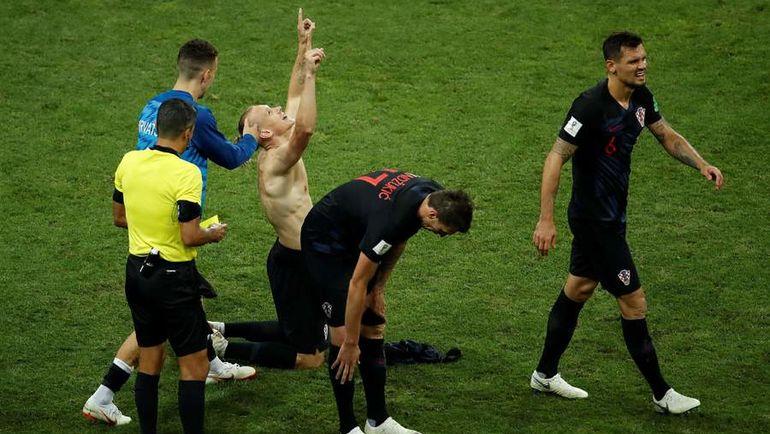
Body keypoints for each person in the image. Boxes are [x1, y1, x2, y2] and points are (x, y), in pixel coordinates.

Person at [530, 31, 724, 414]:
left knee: (579, 288)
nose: (642, 66)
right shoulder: (589, 106)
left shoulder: (642, 98)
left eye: (644, 58)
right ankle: (663, 395)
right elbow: (556, 156)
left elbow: (666, 135)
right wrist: (545, 219)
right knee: (634, 302)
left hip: (614, 217)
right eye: (634, 61)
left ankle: (544, 374)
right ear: (611, 66)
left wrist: (701, 163)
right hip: (594, 222)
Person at [83, 38, 258, 426]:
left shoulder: (152, 109)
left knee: (167, 328)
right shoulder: (195, 124)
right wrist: (254, 136)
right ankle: (104, 393)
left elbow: (120, 210)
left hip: (141, 236)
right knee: (168, 334)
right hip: (176, 230)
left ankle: (214, 365)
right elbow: (231, 158)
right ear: (207, 74)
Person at [301, 169, 474, 434]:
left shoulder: (432, 196)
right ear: (433, 214)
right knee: (343, 336)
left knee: (374, 327)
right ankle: (347, 427)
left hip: (357, 233)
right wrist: (351, 343)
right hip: (325, 243)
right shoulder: (391, 219)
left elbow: (399, 239)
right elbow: (357, 283)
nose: (441, 236)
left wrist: (379, 287)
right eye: (442, 232)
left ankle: (378, 421)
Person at [208, 9, 328, 370]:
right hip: (294, 264)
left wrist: (302, 45)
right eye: (270, 111)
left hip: (302, 256)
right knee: (311, 358)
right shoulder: (275, 161)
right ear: (264, 133)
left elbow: (294, 95)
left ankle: (220, 330)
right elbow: (306, 129)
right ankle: (221, 350)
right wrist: (311, 75)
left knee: (313, 334)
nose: (278, 108)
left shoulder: (278, 140)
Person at [111, 98, 226, 433]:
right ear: (188, 133)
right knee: (195, 366)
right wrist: (211, 234)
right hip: (174, 278)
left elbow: (120, 217)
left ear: (158, 127)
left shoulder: (129, 161)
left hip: (137, 273)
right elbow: (190, 235)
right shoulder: (187, 173)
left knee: (150, 360)